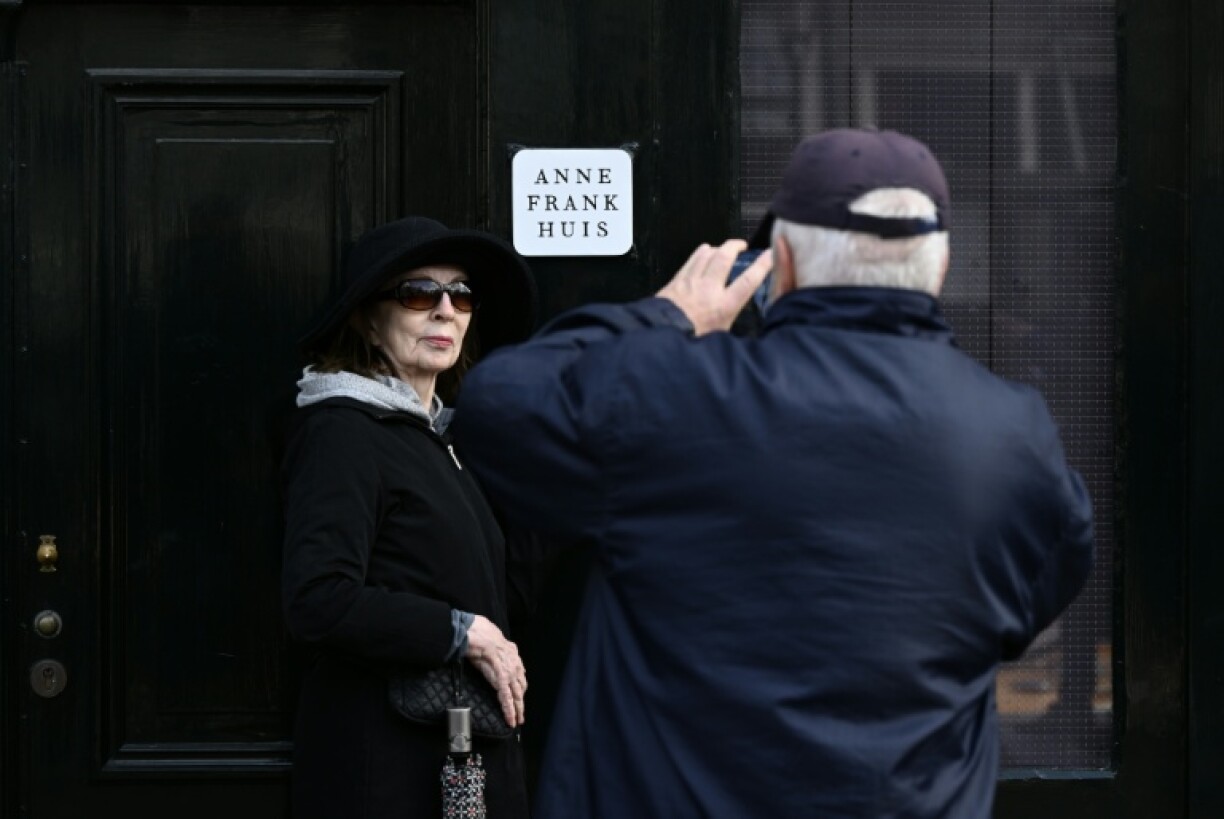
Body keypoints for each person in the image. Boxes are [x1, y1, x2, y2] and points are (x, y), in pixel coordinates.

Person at [450, 129, 1095, 817]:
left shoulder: (680, 400)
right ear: (938, 267)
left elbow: (496, 407)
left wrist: (669, 315)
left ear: (780, 260)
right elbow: (1031, 599)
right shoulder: (1012, 434)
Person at [281, 216, 537, 819]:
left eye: (462, 295)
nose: (445, 310)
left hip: (455, 755)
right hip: (387, 766)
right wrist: (461, 631)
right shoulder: (342, 431)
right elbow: (317, 598)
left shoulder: (437, 441)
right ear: (368, 322)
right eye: (419, 293)